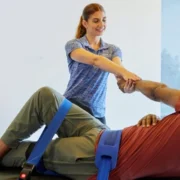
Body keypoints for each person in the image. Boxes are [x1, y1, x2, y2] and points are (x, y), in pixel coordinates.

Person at [0, 79, 180, 180]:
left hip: (98, 159)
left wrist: (136, 84)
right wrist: (154, 122)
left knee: (24, 153)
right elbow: (158, 92)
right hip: (106, 134)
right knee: (46, 97)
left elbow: (158, 90)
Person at [63, 3, 141, 124]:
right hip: (72, 106)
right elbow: (96, 60)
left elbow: (118, 72)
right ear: (85, 23)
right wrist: (125, 72)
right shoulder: (74, 45)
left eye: (104, 20)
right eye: (96, 21)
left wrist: (126, 87)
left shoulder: (113, 50)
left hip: (97, 112)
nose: (101, 25)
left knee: (103, 142)